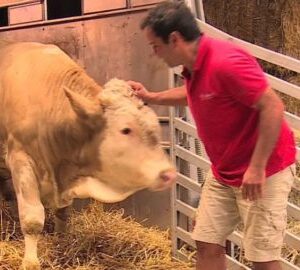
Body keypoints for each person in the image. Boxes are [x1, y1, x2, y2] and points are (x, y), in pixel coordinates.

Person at [127, 1, 296, 270]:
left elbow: (273, 106)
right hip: (224, 172)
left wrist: (257, 167)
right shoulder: (195, 67)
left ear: (174, 39)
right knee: (206, 241)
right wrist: (151, 96)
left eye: (155, 46)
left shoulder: (225, 62)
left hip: (263, 171)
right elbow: (196, 94)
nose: (155, 54)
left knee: (262, 259)